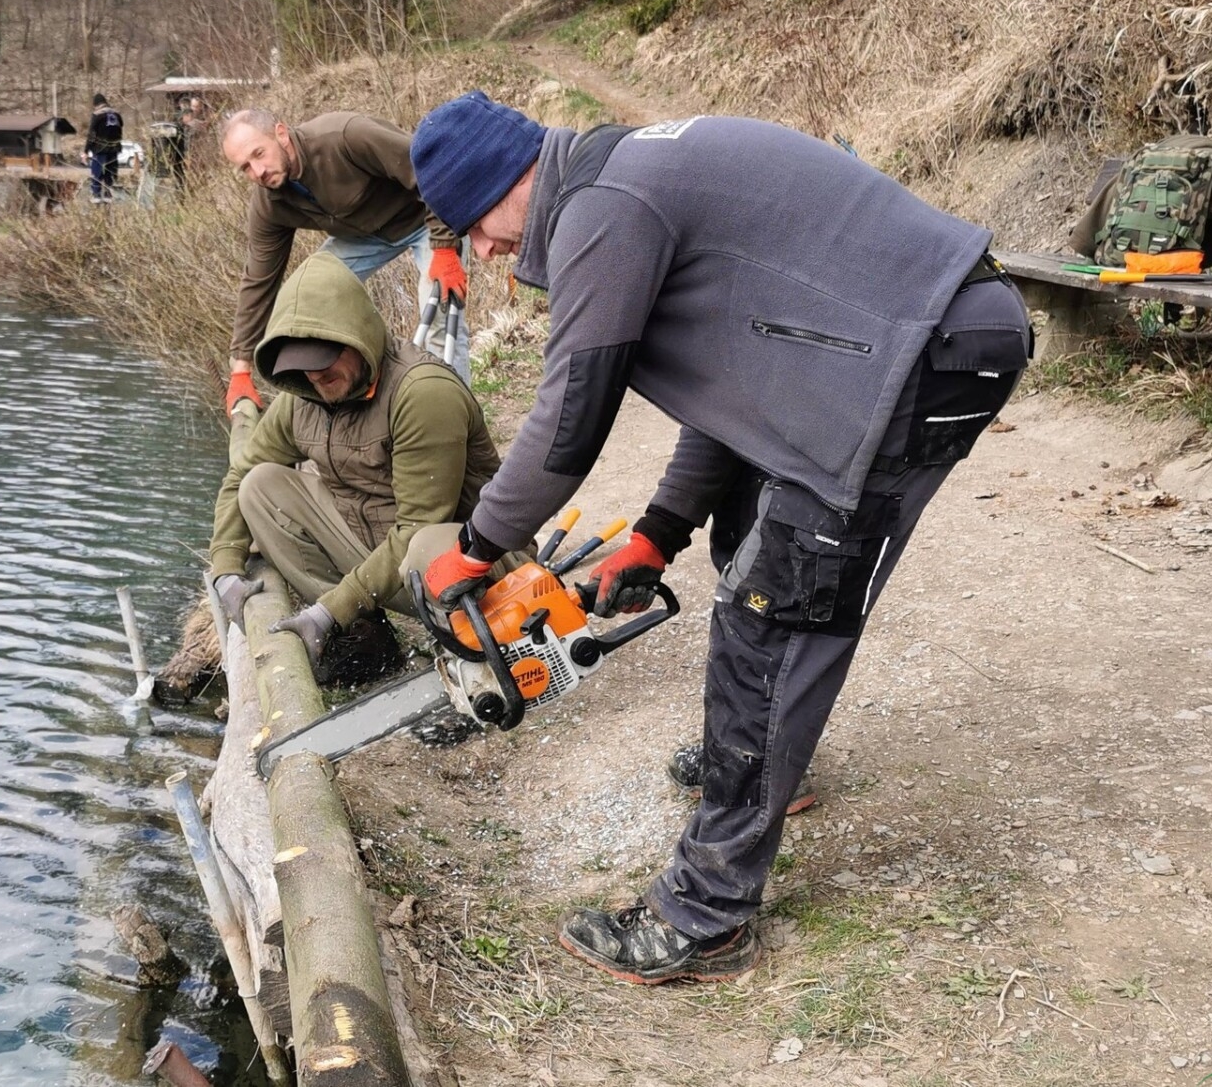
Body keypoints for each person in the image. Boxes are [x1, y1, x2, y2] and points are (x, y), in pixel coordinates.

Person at [406, 95, 1030, 985]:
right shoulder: (621, 179)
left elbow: (569, 419)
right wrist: (659, 532)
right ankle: (767, 766)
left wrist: (476, 544)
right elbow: (741, 389)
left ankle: (707, 915)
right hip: (895, 343)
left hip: (924, 348)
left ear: (507, 181)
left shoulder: (602, 207)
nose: (485, 250)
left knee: (774, 608)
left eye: (476, 225)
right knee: (748, 544)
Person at [207, 252, 506, 682]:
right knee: (260, 486)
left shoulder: (422, 393)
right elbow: (241, 475)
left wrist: (331, 608)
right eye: (301, 365)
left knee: (423, 546)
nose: (315, 377)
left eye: (323, 360)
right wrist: (225, 570)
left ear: (358, 337)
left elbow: (416, 528)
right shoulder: (301, 400)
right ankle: (365, 646)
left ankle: (480, 651)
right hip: (377, 548)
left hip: (471, 564)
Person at [219, 108, 470, 416]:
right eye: (245, 167)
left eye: (259, 153)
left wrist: (444, 246)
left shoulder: (344, 136)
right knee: (307, 297)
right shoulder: (270, 202)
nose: (258, 171)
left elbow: (432, 169)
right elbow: (259, 280)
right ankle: (355, 398)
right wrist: (241, 368)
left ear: (281, 134)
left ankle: (454, 416)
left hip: (426, 218)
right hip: (365, 238)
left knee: (439, 310)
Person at [85, 93, 123, 202]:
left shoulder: (97, 115)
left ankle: (96, 195)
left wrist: (86, 150)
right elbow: (120, 127)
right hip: (114, 148)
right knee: (110, 172)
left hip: (100, 149)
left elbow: (92, 134)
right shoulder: (117, 114)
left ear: (96, 104)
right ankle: (108, 194)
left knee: (97, 171)